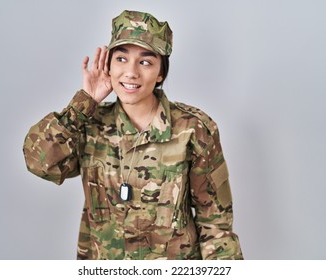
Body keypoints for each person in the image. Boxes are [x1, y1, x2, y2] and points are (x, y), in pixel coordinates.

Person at [23, 10, 243, 260]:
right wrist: (83, 104)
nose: (131, 72)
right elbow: (39, 163)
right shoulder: (88, 124)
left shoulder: (193, 129)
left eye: (146, 62)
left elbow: (215, 225)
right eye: (121, 59)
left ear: (161, 73)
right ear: (108, 65)